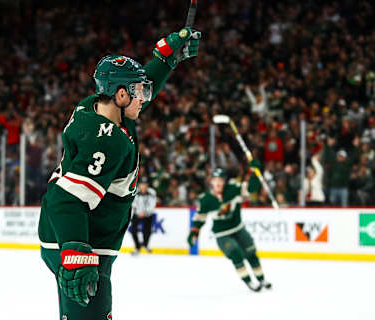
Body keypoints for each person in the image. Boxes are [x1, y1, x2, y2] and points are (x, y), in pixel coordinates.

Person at [38, 27, 201, 319]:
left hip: (74, 238)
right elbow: (65, 198)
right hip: (80, 242)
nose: (145, 97)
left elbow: (134, 91)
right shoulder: (107, 140)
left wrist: (165, 58)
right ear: (121, 95)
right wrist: (76, 252)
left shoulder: (93, 107)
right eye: (140, 91)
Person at [187, 164, 272, 292]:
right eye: (215, 181)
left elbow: (251, 189)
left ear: (224, 181)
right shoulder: (206, 199)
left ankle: (261, 279)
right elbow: (199, 218)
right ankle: (249, 282)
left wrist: (255, 172)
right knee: (235, 253)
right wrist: (194, 232)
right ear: (211, 182)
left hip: (238, 228)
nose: (218, 183)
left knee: (251, 253)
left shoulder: (234, 189)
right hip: (222, 234)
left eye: (220, 180)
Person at [130, 177, 157, 255]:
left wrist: (145, 212)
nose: (143, 186)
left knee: (147, 230)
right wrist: (137, 213)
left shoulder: (152, 192)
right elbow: (133, 203)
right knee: (133, 230)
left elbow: (152, 204)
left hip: (147, 214)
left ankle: (145, 245)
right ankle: (137, 247)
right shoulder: (135, 191)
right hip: (137, 213)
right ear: (139, 185)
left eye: (145, 184)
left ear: (147, 185)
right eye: (142, 184)